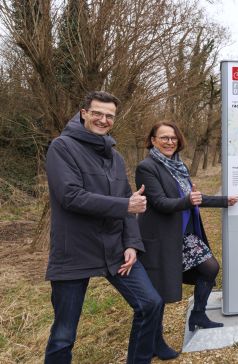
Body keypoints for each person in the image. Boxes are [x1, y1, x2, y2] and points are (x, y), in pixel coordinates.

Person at [44, 91, 163, 364]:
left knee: (150, 303)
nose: (103, 119)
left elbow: (127, 199)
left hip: (114, 248)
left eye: (109, 115)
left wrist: (132, 243)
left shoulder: (115, 156)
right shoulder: (61, 147)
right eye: (97, 113)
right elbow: (70, 196)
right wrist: (125, 206)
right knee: (64, 333)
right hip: (74, 250)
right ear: (83, 112)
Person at [135, 121, 238, 359]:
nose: (170, 142)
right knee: (158, 291)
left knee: (210, 268)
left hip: (183, 234)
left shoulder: (177, 166)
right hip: (161, 237)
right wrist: (187, 201)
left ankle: (198, 314)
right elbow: (160, 202)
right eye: (164, 137)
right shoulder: (146, 167)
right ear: (153, 141)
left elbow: (193, 197)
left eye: (173, 138)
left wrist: (224, 200)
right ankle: (155, 340)